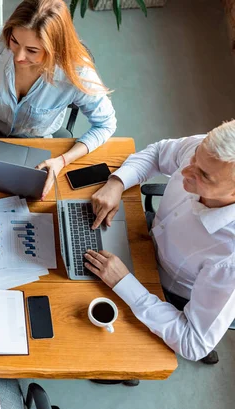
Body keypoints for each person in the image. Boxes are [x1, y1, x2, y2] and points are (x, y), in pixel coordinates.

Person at [86, 120, 235, 365]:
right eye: (194, 157)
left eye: (204, 176)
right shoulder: (207, 154)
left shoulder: (229, 260)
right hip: (146, 238)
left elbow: (193, 343)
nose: (185, 171)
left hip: (168, 294)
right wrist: (117, 183)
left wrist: (125, 284)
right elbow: (157, 153)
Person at [0, 0, 117, 199]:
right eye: (15, 41)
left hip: (35, 144)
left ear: (55, 49)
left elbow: (106, 125)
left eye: (32, 50)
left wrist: (63, 161)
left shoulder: (77, 72)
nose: (18, 57)